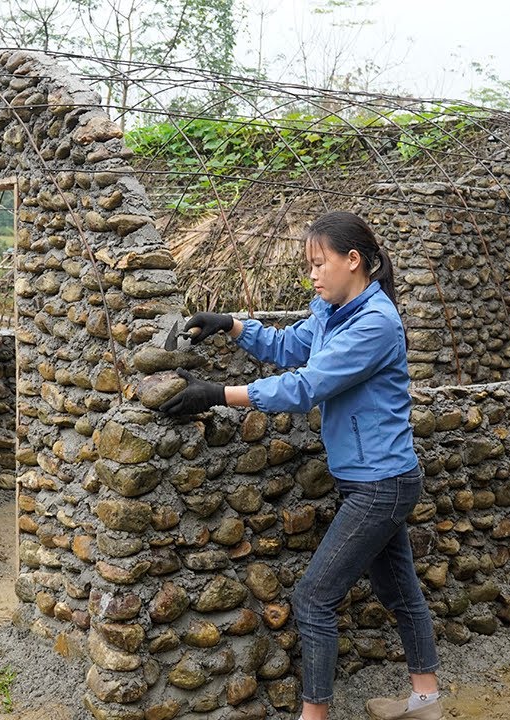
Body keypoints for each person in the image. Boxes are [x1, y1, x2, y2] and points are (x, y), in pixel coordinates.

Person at [157, 211, 442, 720]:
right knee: (398, 588)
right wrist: (235, 326)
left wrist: (219, 394)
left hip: (382, 482)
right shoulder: (332, 310)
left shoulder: (376, 323)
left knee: (314, 599)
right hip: (373, 481)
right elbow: (291, 346)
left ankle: (316, 717)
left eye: (319, 263)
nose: (312, 274)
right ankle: (426, 701)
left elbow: (308, 385)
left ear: (353, 261)